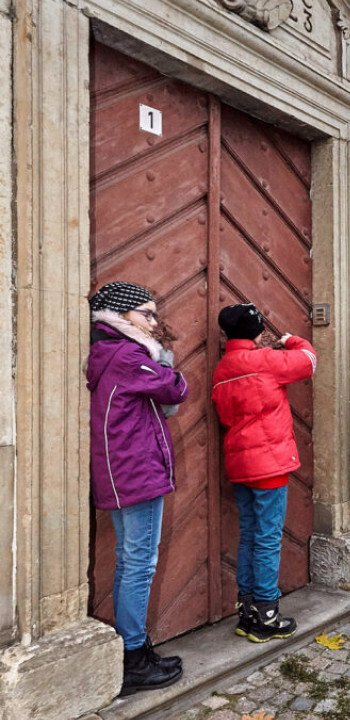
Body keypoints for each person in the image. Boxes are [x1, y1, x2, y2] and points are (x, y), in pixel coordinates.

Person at [87, 281, 189, 696]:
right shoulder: (128, 355)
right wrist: (162, 358)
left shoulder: (106, 352)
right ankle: (132, 658)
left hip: (122, 469)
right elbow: (176, 387)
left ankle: (135, 651)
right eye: (146, 313)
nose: (154, 321)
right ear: (120, 315)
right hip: (136, 472)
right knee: (139, 563)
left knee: (131, 560)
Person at [212, 303, 317, 643]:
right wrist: (292, 340)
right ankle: (267, 615)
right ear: (257, 331)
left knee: (249, 535)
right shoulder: (265, 361)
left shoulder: (222, 368)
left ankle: (246, 611)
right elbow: (308, 362)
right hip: (269, 463)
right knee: (269, 538)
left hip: (240, 463)